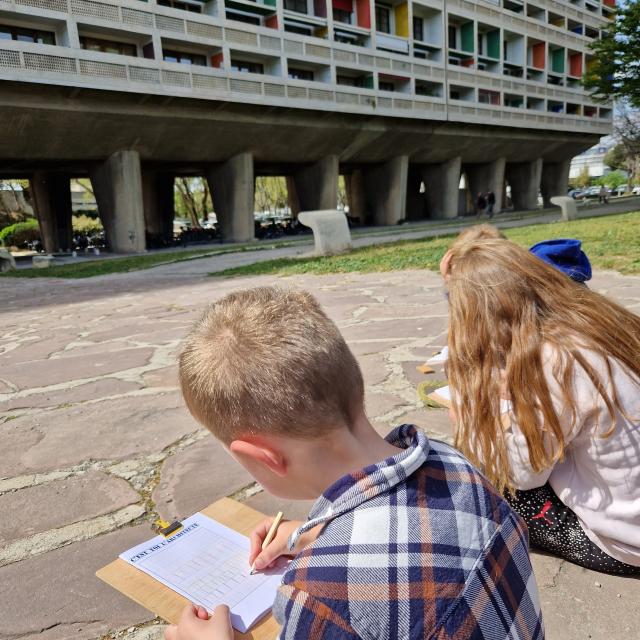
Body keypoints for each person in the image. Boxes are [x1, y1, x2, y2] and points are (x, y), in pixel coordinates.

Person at [168, 287, 544, 640]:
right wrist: (319, 531)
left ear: (264, 459)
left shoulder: (319, 597)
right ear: (354, 382)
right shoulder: (455, 465)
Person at [440, 238, 640, 575]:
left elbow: (523, 475)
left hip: (626, 540)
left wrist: (468, 417)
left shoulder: (551, 363)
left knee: (484, 484)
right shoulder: (594, 321)